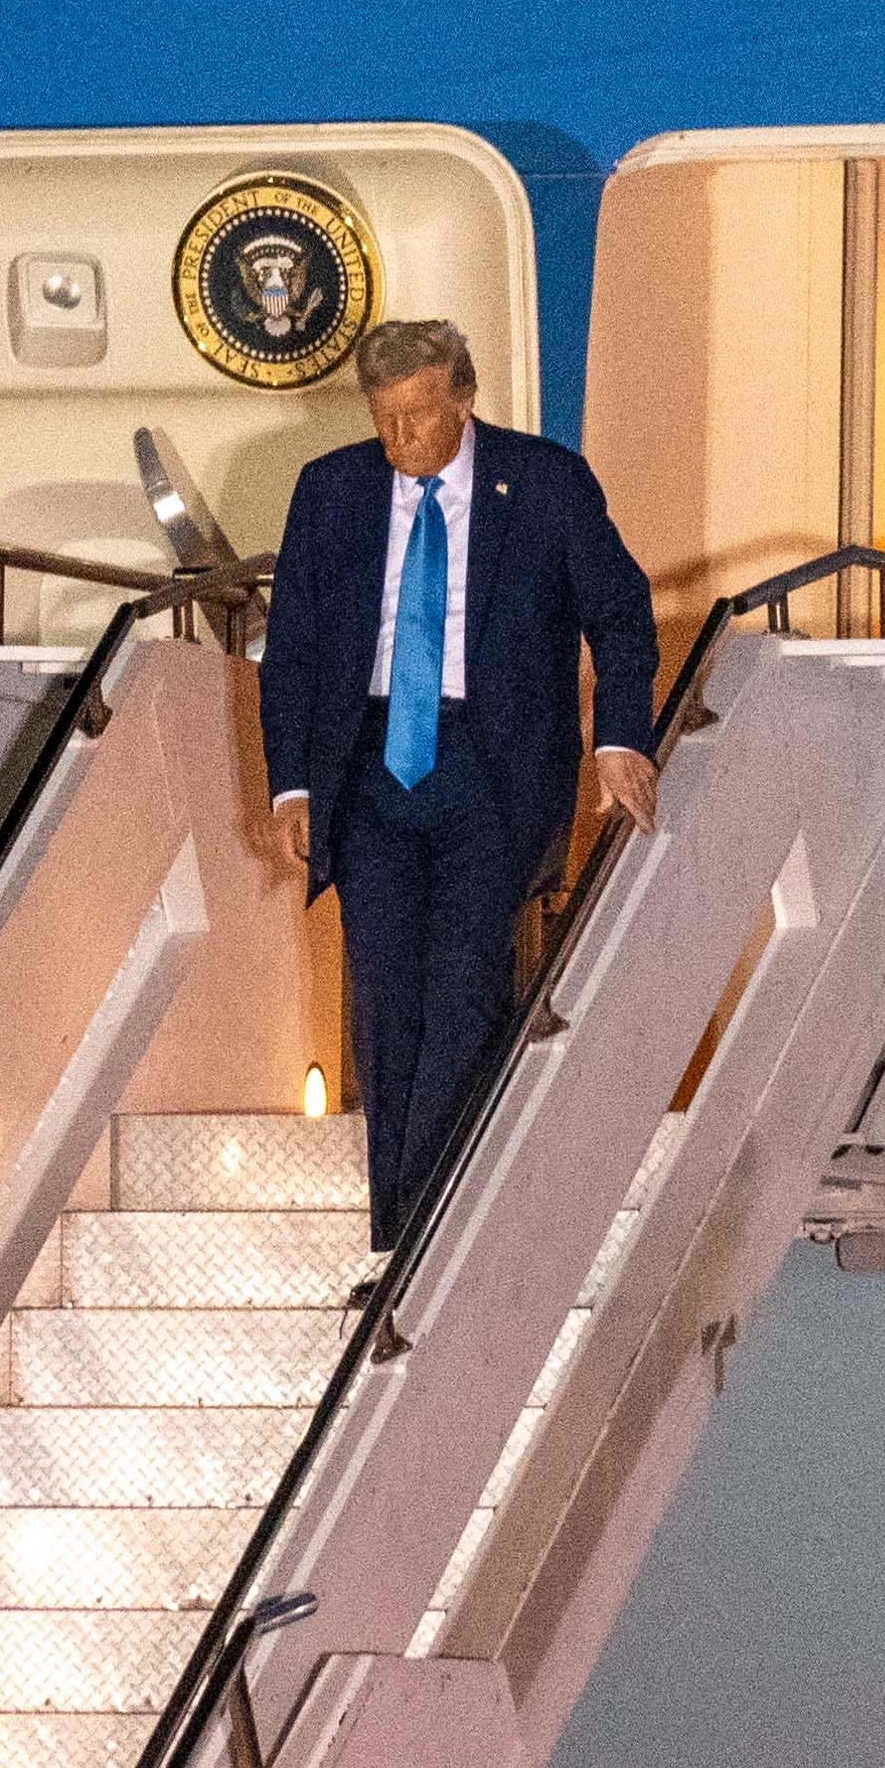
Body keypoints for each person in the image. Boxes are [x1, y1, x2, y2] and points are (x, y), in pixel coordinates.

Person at [255, 319, 664, 1253]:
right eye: (384, 419)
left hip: (494, 768)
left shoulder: (547, 482)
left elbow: (621, 611)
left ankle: (422, 1240)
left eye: (418, 417)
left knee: (465, 993)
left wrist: (621, 739)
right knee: (385, 1002)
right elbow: (297, 652)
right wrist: (291, 788)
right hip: (370, 773)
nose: (400, 441)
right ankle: (401, 1239)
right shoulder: (331, 492)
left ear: (465, 399)